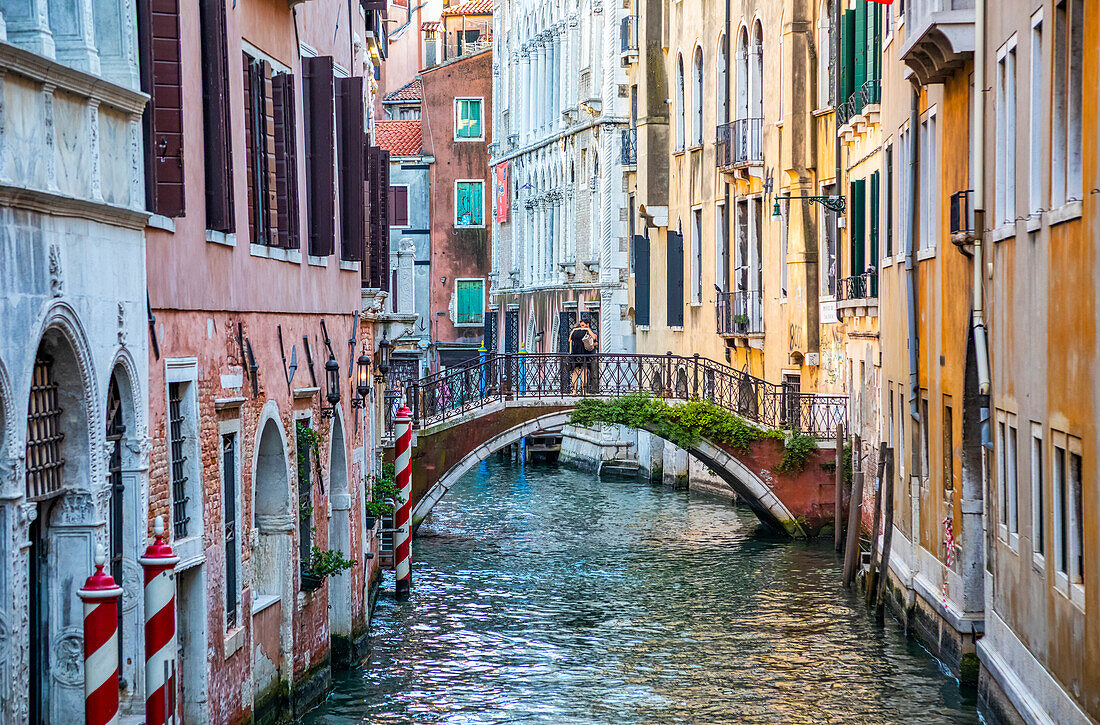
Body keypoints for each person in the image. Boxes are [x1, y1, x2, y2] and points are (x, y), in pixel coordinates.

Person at [568, 319, 597, 394]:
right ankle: (583, 391)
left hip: (575, 353)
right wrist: (587, 329)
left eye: (583, 325)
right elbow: (594, 337)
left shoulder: (574, 331)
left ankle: (574, 391)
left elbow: (569, 340)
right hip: (583, 353)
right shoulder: (585, 331)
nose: (582, 327)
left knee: (576, 372)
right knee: (583, 372)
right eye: (581, 325)